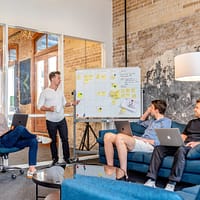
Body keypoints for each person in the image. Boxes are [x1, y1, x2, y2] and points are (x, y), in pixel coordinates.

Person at [104, 99, 171, 180]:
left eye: (151, 107)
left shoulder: (166, 122)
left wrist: (141, 139)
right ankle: (110, 169)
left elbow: (160, 142)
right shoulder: (152, 121)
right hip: (141, 142)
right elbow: (139, 122)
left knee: (120, 137)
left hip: (150, 146)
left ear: (156, 110)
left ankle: (123, 173)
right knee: (107, 136)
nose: (149, 109)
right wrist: (147, 112)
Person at [144, 99, 200, 192]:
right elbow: (184, 136)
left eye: (197, 108)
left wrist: (197, 143)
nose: (194, 109)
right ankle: (151, 179)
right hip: (184, 145)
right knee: (159, 148)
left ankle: (172, 183)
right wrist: (175, 140)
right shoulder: (192, 122)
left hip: (194, 148)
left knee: (181, 150)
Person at [37, 71, 79, 165]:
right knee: (53, 140)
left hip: (61, 119)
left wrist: (72, 103)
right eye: (58, 78)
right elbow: (39, 106)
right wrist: (49, 108)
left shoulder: (60, 92)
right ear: (52, 79)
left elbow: (64, 104)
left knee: (65, 139)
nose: (60, 80)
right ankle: (55, 159)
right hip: (51, 121)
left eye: (60, 78)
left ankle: (67, 158)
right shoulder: (45, 92)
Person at [0, 113, 38, 178]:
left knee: (33, 141)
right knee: (20, 128)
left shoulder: (1, 115)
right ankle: (36, 136)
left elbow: (5, 129)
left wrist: (11, 130)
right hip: (2, 142)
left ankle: (31, 168)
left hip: (8, 139)